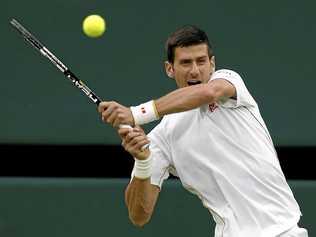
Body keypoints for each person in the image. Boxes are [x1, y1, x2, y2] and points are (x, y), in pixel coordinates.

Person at [97, 25, 308, 237]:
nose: (195, 70)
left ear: (212, 64)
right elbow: (138, 215)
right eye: (186, 63)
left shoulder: (228, 81)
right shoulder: (162, 139)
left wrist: (136, 113)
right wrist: (143, 162)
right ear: (169, 69)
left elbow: (208, 92)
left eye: (201, 61)